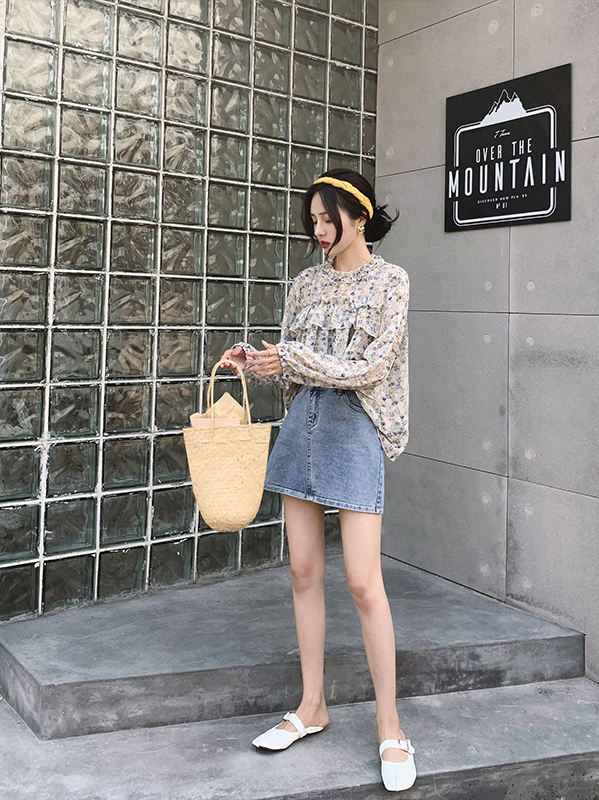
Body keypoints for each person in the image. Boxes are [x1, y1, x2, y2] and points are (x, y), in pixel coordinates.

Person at [219, 168, 414, 792]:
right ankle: (312, 707)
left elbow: (371, 366)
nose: (320, 230)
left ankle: (390, 725)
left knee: (362, 581)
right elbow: (296, 368)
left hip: (355, 429)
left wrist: (294, 357)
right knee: (303, 573)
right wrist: (260, 361)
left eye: (329, 219)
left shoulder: (391, 282)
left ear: (360, 217)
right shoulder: (304, 284)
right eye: (313, 221)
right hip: (303, 424)